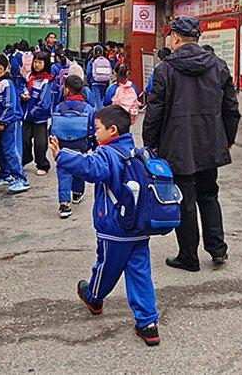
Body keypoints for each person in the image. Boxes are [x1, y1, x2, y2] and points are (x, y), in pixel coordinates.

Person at [50, 105, 161, 346]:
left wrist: (62, 156)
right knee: (140, 272)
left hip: (115, 228)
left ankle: (93, 297)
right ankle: (148, 323)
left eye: (97, 128)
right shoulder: (137, 151)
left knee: (106, 268)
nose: (94, 132)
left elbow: (91, 168)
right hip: (139, 227)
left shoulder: (108, 153)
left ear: (112, 130)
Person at [143, 16, 240, 272]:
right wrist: (228, 139)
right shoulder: (218, 66)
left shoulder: (164, 69)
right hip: (209, 142)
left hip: (177, 145)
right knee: (209, 195)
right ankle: (218, 250)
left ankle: (189, 256)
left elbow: (155, 111)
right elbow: (231, 107)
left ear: (175, 38)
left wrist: (150, 143)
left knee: (184, 199)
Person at [51, 76, 95, 218]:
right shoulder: (88, 108)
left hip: (62, 144)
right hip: (81, 143)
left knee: (63, 170)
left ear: (67, 89)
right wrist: (93, 145)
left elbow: (53, 127)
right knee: (79, 167)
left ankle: (64, 204)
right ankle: (77, 192)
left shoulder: (59, 107)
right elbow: (94, 128)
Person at [0, 54, 30, 193]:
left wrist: (2, 121)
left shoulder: (7, 83)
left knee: (12, 151)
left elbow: (10, 105)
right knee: (2, 150)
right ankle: (5, 175)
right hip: (2, 123)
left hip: (11, 123)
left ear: (1, 68)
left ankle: (21, 179)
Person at [22, 52, 53, 176]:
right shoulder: (30, 76)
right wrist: (23, 95)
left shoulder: (47, 80)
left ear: (45, 64)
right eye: (35, 61)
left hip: (40, 117)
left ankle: (42, 164)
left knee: (40, 143)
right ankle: (25, 159)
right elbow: (24, 88)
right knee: (24, 139)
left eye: (40, 62)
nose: (37, 64)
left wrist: (34, 111)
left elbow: (45, 101)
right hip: (27, 115)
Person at [87, 45, 112, 110]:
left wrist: (89, 81)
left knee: (96, 99)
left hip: (95, 82)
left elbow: (88, 72)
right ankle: (102, 110)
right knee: (102, 98)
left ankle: (99, 112)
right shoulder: (106, 60)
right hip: (104, 82)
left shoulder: (92, 61)